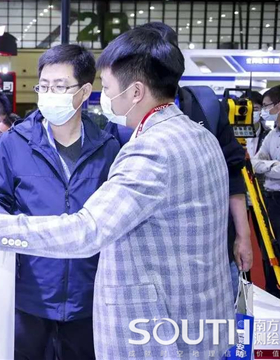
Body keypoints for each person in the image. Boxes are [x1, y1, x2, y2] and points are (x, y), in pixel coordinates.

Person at [0, 27, 234, 359]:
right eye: (44, 86)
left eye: (108, 87)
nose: (106, 97)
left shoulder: (140, 149)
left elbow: (88, 230)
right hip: (46, 291)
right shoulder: (200, 136)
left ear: (134, 92)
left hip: (150, 324)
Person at [0, 45, 119, 360]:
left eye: (59, 87)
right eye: (43, 86)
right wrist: (2, 224)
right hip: (30, 294)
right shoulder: (15, 142)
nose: (48, 94)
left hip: (88, 296)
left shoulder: (107, 148)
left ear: (84, 92)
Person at [105, 22, 252, 296]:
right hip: (152, 255)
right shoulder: (121, 120)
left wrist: (243, 236)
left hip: (213, 249)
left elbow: (233, 174)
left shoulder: (205, 108)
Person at [252, 86, 280, 295]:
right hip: (268, 200)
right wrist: (274, 165)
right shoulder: (273, 134)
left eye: (266, 106)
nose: (264, 111)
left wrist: (268, 166)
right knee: (268, 251)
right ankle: (273, 294)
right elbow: (255, 163)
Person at [247, 90, 271, 158]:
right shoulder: (232, 135)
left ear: (262, 110)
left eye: (255, 109)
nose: (251, 113)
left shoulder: (269, 134)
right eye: (247, 109)